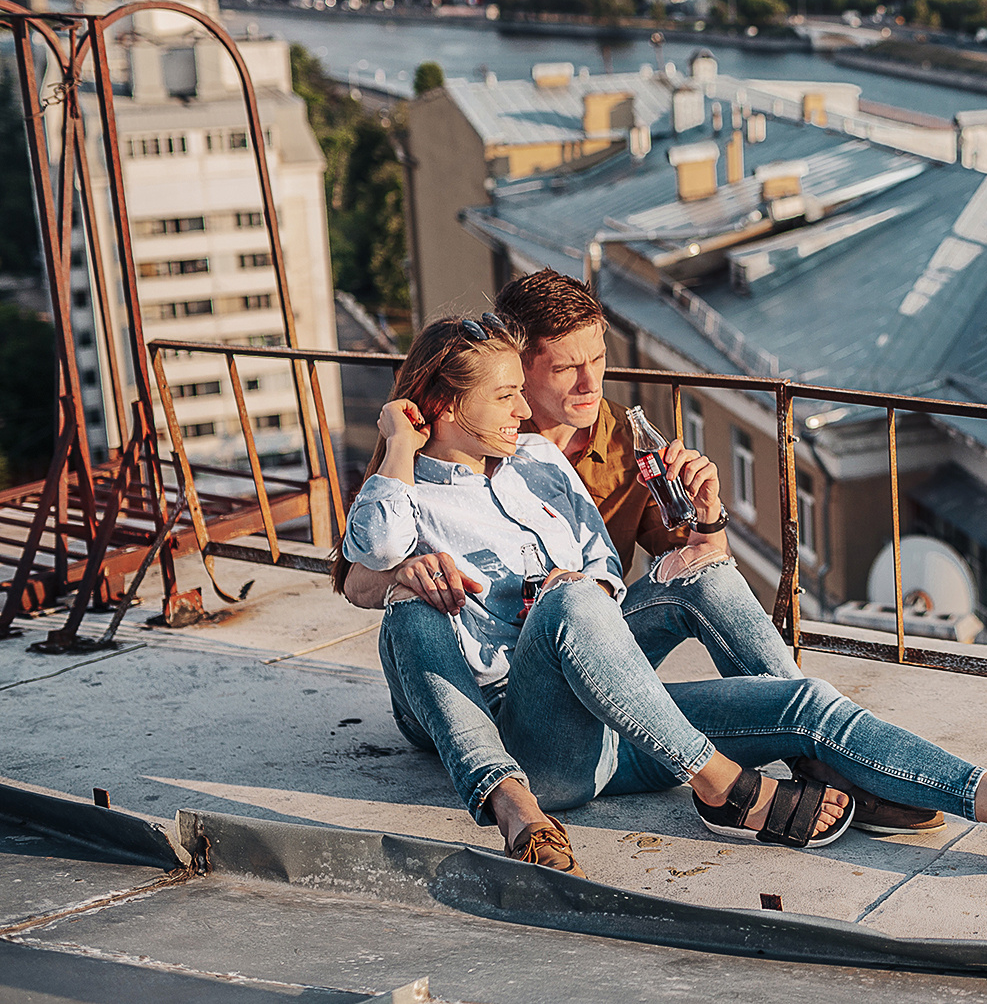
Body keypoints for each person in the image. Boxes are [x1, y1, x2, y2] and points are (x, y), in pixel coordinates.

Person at [340, 314, 987, 879]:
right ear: (445, 406)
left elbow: (607, 575)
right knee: (476, 606)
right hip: (531, 735)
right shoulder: (406, 490)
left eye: (524, 389)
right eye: (507, 394)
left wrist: (631, 563)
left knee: (709, 581)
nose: (526, 408)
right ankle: (710, 782)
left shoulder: (542, 465)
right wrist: (402, 444)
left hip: (620, 727)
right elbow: (369, 553)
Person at [341, 268, 939, 834]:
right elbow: (354, 577)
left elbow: (688, 568)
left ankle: (816, 754)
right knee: (513, 608)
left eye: (599, 360)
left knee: (701, 579)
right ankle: (729, 779)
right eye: (567, 368)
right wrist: (403, 570)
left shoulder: (617, 439)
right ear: (517, 365)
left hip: (585, 643)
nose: (590, 384)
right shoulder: (435, 446)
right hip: (485, 677)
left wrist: (709, 519)